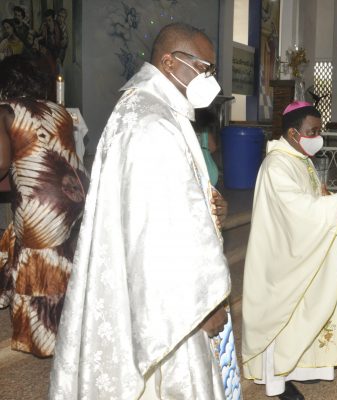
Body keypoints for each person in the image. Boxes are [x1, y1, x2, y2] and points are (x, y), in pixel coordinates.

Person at [49, 23, 235, 399]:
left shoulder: (151, 108)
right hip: (173, 302)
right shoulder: (152, 124)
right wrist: (204, 304)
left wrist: (208, 204)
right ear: (170, 62)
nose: (210, 80)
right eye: (204, 69)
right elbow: (157, 234)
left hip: (167, 289)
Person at [242, 101, 337, 400]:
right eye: (313, 131)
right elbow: (295, 210)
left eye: (319, 131)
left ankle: (301, 367)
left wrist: (325, 197)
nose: (318, 136)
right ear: (295, 133)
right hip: (282, 258)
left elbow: (306, 201)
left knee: (305, 311)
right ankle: (278, 381)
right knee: (283, 314)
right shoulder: (276, 165)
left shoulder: (300, 158)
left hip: (301, 249)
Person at [0, 54, 88, 357]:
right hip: (76, 197)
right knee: (52, 256)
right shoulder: (59, 111)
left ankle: (45, 338)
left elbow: (0, 163)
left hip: (43, 206)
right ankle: (73, 329)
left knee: (35, 253)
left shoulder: (5, 111)